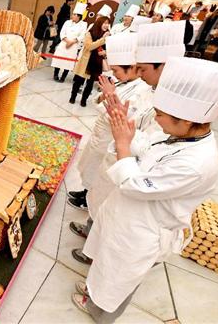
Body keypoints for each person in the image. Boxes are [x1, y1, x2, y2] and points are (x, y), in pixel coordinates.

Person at [72, 56, 218, 323]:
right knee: (105, 265)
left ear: (187, 120)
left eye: (161, 115)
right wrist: (125, 130)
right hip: (126, 217)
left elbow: (135, 185)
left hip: (143, 230)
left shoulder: (197, 163)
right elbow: (147, 150)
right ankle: (93, 294)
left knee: (119, 280)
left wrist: (123, 144)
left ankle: (100, 314)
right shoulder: (178, 134)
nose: (156, 120)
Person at [70, 21, 186, 256]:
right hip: (118, 154)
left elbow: (148, 141)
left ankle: (93, 251)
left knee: (107, 213)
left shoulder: (171, 107)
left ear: (161, 66)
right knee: (98, 198)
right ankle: (91, 235)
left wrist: (121, 122)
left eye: (142, 68)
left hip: (128, 165)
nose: (141, 74)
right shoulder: (148, 88)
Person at [66, 33, 151, 215]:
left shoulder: (141, 90)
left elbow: (130, 117)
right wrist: (106, 95)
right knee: (89, 167)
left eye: (117, 70)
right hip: (100, 134)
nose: (114, 74)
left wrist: (112, 97)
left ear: (132, 68)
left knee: (98, 173)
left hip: (110, 140)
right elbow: (99, 101)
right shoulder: (124, 81)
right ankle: (85, 193)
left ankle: (88, 201)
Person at [70, 16, 110, 106]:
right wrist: (102, 39)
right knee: (79, 80)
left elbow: (110, 48)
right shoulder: (90, 33)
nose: (106, 25)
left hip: (97, 62)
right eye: (104, 23)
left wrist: (105, 52)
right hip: (86, 62)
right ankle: (73, 96)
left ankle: (84, 99)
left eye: (108, 23)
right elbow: (89, 46)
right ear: (99, 23)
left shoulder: (108, 35)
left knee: (90, 84)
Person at [52, 2, 87, 82]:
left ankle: (63, 77)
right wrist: (67, 41)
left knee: (68, 62)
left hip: (73, 46)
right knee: (58, 59)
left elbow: (82, 35)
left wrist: (72, 42)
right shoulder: (67, 22)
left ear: (79, 16)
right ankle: (56, 74)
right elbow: (62, 32)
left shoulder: (83, 24)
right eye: (73, 14)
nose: (72, 16)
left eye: (74, 15)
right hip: (64, 43)